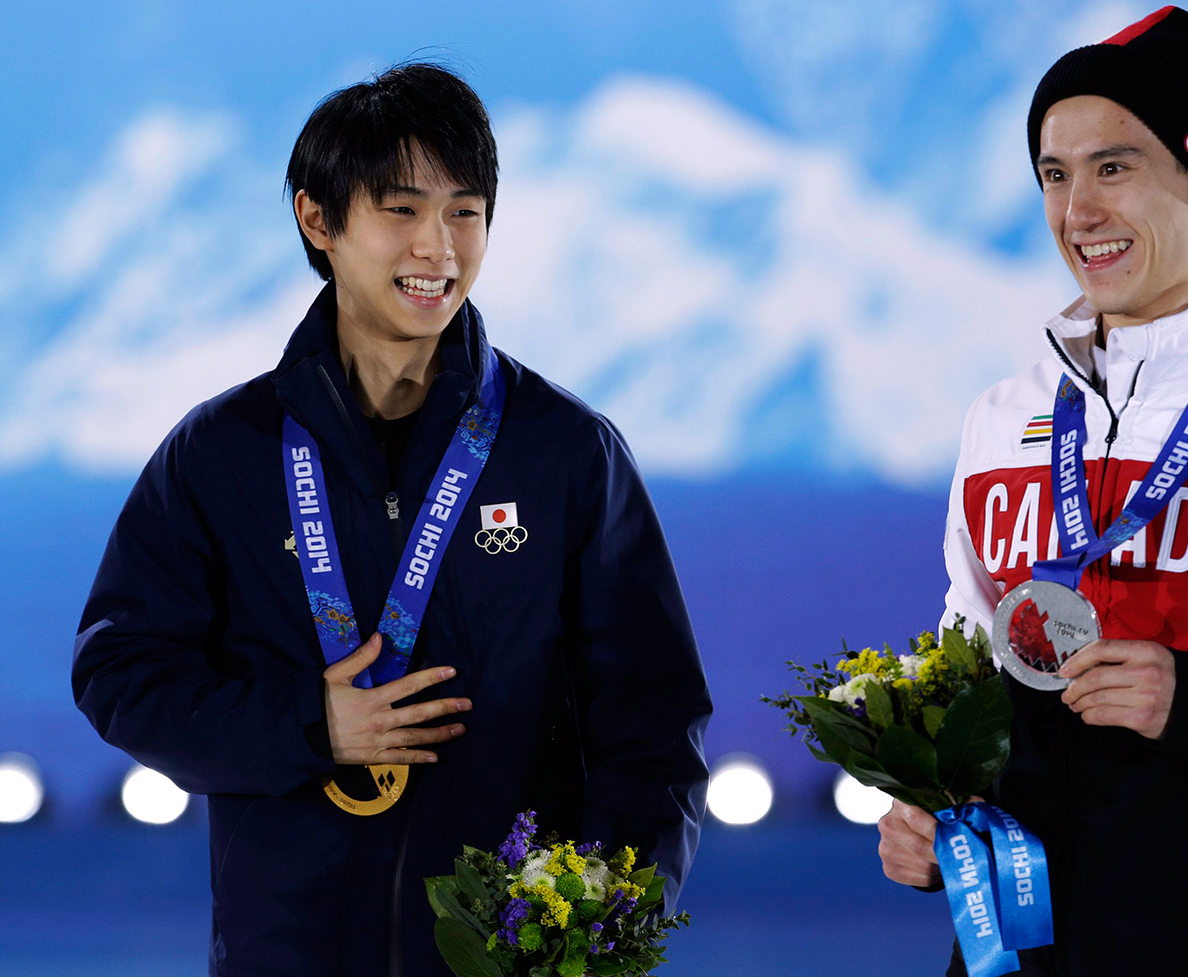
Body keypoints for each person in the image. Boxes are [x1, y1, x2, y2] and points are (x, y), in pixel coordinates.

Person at [73, 62, 712, 977]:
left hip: (509, 960)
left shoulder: (564, 451)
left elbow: (653, 723)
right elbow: (119, 671)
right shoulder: (222, 453)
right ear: (318, 221)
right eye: (402, 210)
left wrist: (599, 928)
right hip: (288, 952)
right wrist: (308, 724)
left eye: (466, 211)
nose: (440, 248)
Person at [877, 6, 1188, 976]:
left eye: (1112, 167)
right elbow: (962, 686)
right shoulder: (1000, 422)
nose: (1074, 210)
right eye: (1053, 173)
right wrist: (927, 809)